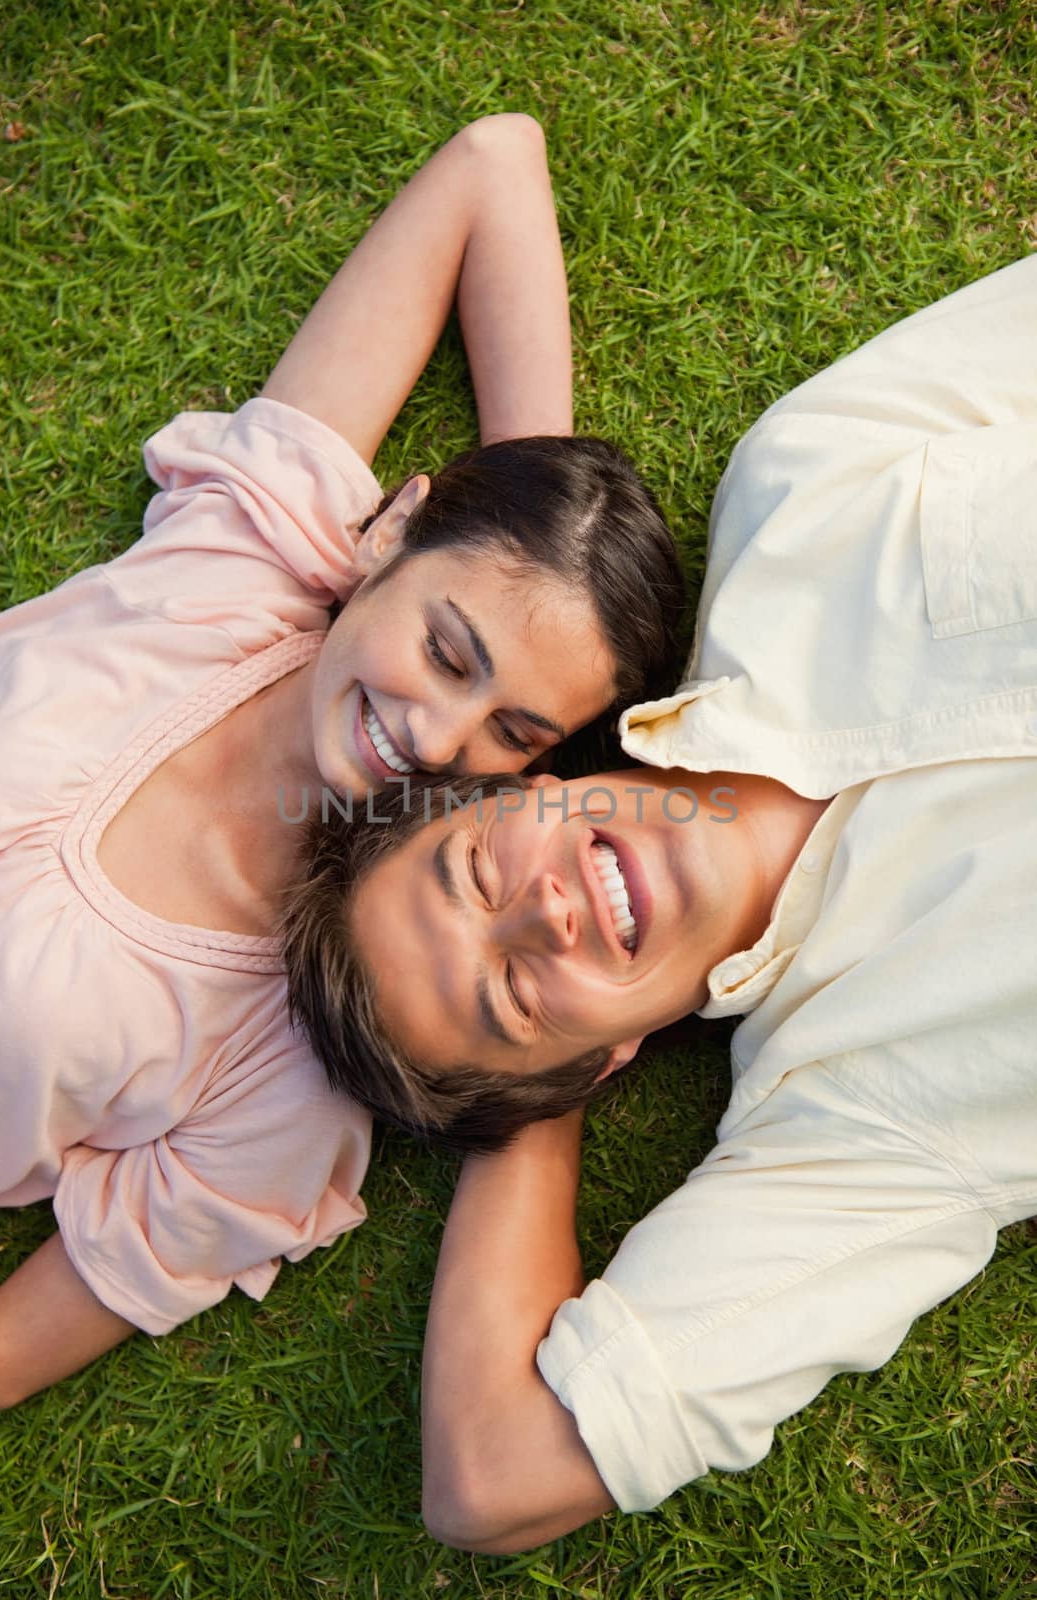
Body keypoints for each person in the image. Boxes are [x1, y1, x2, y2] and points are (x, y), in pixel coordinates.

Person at [282, 254, 1037, 1550]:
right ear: (603, 1063)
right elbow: (494, 1477)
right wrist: (534, 1101)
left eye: (478, 872)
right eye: (515, 991)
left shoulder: (808, 492)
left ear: (520, 791)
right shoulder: (857, 1124)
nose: (547, 916)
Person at [0, 114, 686, 1412]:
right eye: (451, 648)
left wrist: (537, 648)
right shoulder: (245, 565)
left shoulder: (301, 1059)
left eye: (514, 732)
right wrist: (549, 522)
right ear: (392, 531)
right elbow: (492, 163)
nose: (434, 737)